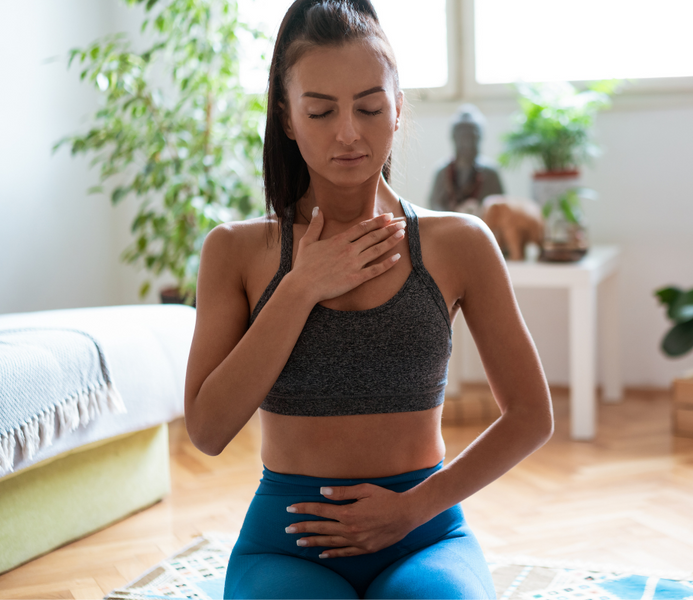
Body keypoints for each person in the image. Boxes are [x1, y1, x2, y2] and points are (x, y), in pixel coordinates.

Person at [183, 1, 553, 598]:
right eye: (321, 111)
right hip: (287, 541)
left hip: (426, 532)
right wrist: (300, 286)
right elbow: (207, 429)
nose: (348, 132)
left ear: (399, 109)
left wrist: (411, 510)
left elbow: (532, 416)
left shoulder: (460, 243)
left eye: (370, 107)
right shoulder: (236, 251)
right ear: (286, 117)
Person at [428, 104, 504, 213]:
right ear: (454, 138)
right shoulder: (443, 172)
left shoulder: (490, 173)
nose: (468, 144)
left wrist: (480, 211)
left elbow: (501, 209)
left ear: (480, 139)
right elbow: (434, 207)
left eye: (472, 137)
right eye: (463, 137)